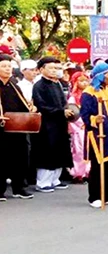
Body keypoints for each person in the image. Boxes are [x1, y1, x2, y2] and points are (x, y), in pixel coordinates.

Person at [80, 61, 108, 207]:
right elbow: (85, 114)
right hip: (97, 135)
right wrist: (95, 119)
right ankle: (95, 197)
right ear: (100, 76)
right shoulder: (89, 92)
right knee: (98, 166)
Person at [31, 57, 74, 193]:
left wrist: (66, 110)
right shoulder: (39, 85)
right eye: (51, 68)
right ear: (41, 69)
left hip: (59, 122)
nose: (55, 71)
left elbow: (63, 101)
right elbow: (41, 105)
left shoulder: (57, 84)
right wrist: (61, 111)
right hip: (47, 124)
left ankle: (55, 179)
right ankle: (43, 182)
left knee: (59, 150)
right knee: (47, 152)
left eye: (57, 68)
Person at [0, 53, 35, 200]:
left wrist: (31, 108)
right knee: (1, 158)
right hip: (1, 128)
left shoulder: (14, 83)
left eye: (9, 66)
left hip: (16, 126)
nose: (8, 69)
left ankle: (19, 188)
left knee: (20, 157)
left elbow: (23, 103)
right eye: (3, 66)